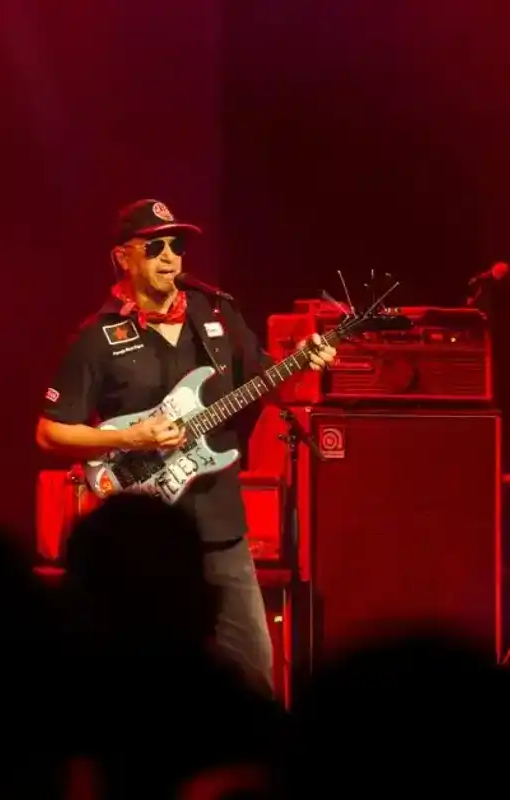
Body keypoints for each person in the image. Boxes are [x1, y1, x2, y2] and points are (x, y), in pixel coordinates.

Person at [35, 198, 336, 694]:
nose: (170, 257)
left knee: (255, 671)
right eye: (155, 247)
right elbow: (49, 432)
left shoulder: (214, 313)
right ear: (123, 257)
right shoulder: (96, 337)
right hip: (143, 537)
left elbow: (269, 383)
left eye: (177, 246)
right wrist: (132, 436)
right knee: (142, 679)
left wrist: (300, 362)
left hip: (221, 524)